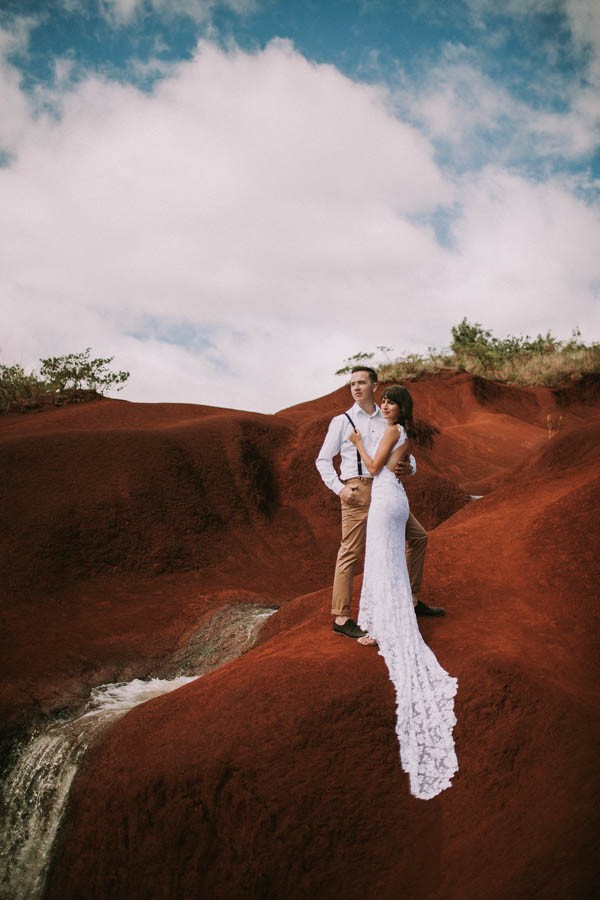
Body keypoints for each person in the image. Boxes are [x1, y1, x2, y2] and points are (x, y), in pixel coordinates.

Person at [349, 384, 458, 799]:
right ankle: (392, 613)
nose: (387, 406)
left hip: (385, 498)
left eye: (391, 402)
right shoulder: (403, 431)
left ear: (400, 408)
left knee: (381, 559)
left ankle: (383, 621)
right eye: (385, 401)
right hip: (396, 498)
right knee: (386, 558)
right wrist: (405, 467)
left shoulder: (392, 430)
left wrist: (359, 443)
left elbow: (376, 468)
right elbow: (405, 465)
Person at [315, 366, 443, 641]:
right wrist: (339, 489)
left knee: (419, 538)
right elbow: (323, 460)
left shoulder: (388, 417)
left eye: (362, 383)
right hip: (357, 490)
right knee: (350, 550)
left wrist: (411, 467)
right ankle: (341, 616)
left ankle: (409, 599)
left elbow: (403, 454)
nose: (356, 388)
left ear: (375, 386)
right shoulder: (342, 421)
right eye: (352, 384)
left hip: (386, 491)